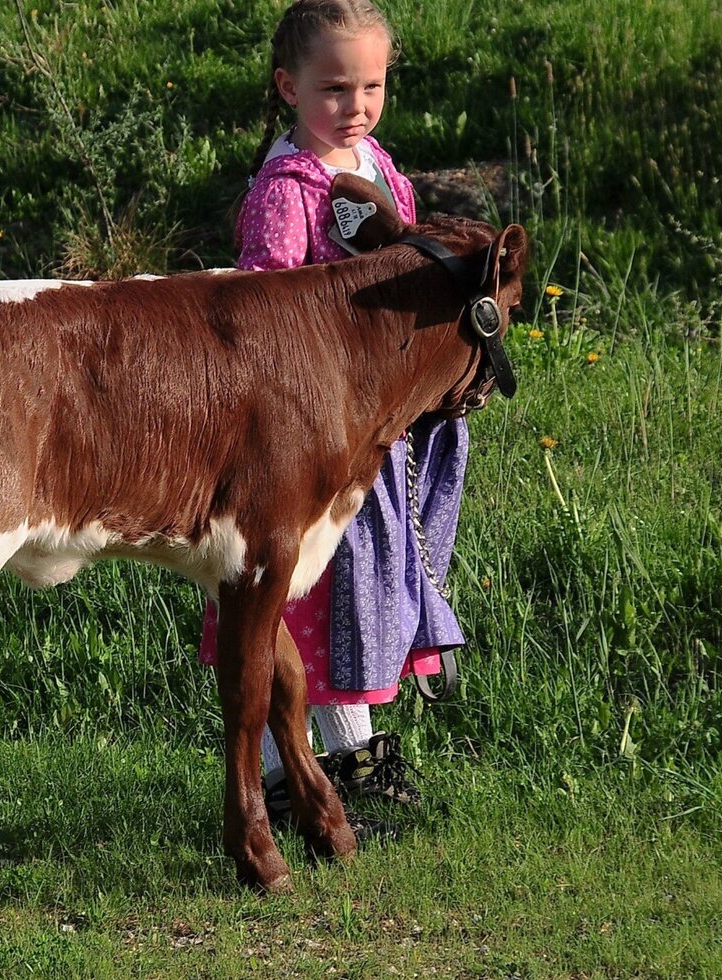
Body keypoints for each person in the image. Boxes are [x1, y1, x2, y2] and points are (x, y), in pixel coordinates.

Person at [200, 0, 468, 829]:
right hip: (299, 436)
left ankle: (349, 754)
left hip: (365, 426)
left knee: (362, 586)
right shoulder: (288, 189)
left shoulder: (379, 166)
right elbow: (263, 315)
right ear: (288, 87)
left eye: (373, 85)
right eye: (335, 88)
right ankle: (291, 771)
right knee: (298, 596)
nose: (356, 105)